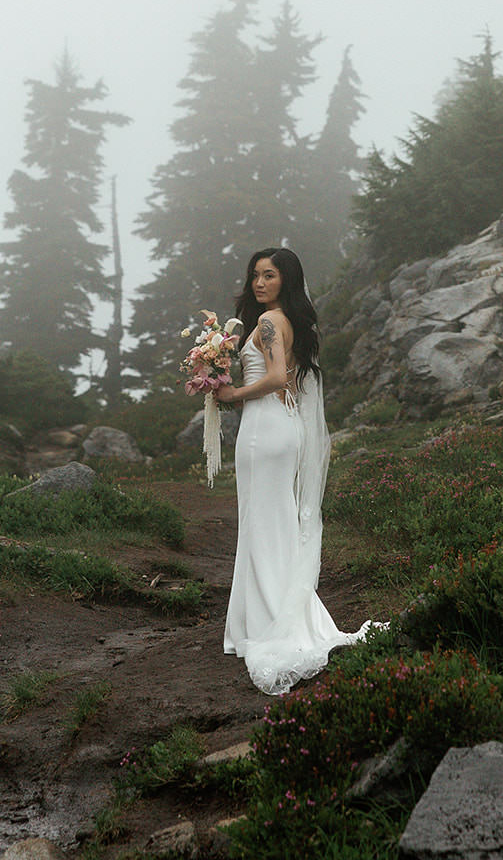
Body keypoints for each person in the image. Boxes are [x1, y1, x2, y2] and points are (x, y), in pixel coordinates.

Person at [212, 246, 373, 695]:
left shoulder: (267, 323)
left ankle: (269, 625)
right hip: (280, 430)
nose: (259, 283)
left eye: (269, 275)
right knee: (271, 521)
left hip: (265, 430)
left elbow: (279, 378)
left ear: (286, 280)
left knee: (264, 523)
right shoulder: (290, 322)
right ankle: (266, 619)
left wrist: (230, 394)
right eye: (255, 276)